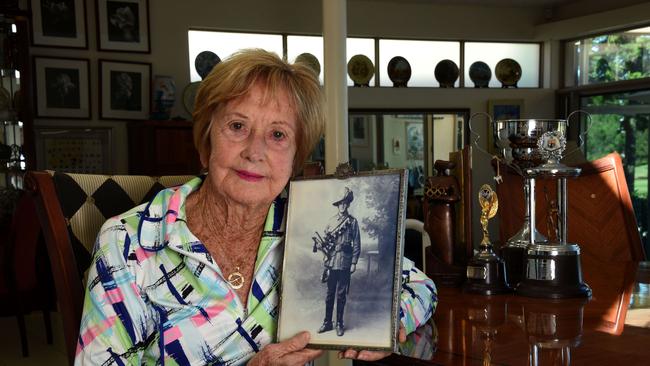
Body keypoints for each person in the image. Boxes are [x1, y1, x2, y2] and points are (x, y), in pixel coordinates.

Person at [75, 49, 437, 365]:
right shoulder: (129, 244)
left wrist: (385, 326)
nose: (255, 151)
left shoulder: (297, 218)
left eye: (278, 135)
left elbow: (419, 286)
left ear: (295, 159)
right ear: (205, 143)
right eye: (237, 126)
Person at [316, 187, 360, 337]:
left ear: (348, 204)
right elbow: (325, 242)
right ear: (338, 205)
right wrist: (323, 252)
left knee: (341, 295)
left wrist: (354, 262)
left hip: (345, 262)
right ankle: (327, 322)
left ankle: (339, 323)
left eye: (345, 203)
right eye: (340, 203)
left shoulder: (352, 222)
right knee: (330, 294)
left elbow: (357, 243)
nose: (342, 206)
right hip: (332, 261)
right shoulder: (330, 221)